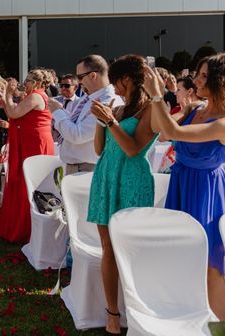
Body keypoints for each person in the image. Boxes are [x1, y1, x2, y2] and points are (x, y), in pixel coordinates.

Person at [144, 56, 225, 319]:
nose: (197, 80)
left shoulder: (223, 123)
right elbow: (163, 131)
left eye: (203, 75)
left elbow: (175, 133)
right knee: (182, 254)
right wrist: (155, 99)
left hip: (207, 191)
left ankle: (216, 322)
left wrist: (157, 95)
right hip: (181, 182)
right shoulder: (196, 108)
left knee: (211, 261)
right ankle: (186, 314)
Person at [87, 54, 157, 335]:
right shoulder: (118, 108)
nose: (113, 88)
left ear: (126, 79)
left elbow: (133, 149)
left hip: (131, 180)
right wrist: (100, 121)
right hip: (106, 177)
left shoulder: (150, 110)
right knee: (108, 249)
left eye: (115, 81)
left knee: (131, 249)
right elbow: (98, 149)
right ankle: (112, 314)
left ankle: (139, 311)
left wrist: (111, 122)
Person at [0, 69, 54, 243]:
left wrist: (9, 94)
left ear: (36, 83)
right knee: (22, 180)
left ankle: (27, 227)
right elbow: (12, 110)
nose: (24, 83)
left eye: (27, 80)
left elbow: (13, 113)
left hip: (34, 144)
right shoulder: (32, 96)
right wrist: (5, 96)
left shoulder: (36, 97)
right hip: (28, 142)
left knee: (30, 182)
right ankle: (19, 222)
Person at [47, 55, 121, 174]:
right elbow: (74, 123)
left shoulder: (107, 102)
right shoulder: (89, 97)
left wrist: (58, 112)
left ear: (93, 75)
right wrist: (60, 110)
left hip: (88, 169)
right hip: (79, 167)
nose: (79, 82)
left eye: (80, 77)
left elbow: (78, 135)